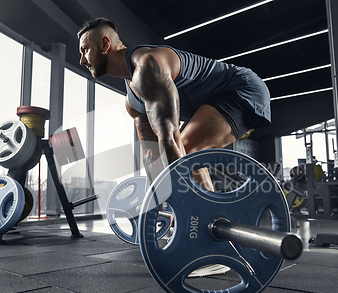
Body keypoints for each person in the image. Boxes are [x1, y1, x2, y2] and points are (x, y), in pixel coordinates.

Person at [77, 18, 271, 191]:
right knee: (184, 154)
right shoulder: (132, 102)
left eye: (85, 50)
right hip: (210, 103)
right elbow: (151, 154)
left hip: (242, 89)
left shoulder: (148, 65)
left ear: (105, 44)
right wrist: (157, 201)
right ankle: (208, 210)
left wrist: (181, 205)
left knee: (184, 148)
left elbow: (169, 138)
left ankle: (205, 211)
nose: (81, 60)